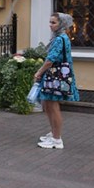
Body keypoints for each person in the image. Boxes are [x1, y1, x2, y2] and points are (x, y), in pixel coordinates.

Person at [33, 12, 80, 150]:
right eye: (50, 22)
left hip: (55, 77)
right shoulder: (60, 37)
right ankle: (53, 133)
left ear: (62, 24)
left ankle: (57, 139)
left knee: (53, 107)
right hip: (55, 76)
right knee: (48, 105)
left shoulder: (60, 39)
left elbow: (50, 60)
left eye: (53, 23)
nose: (50, 25)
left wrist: (39, 72)